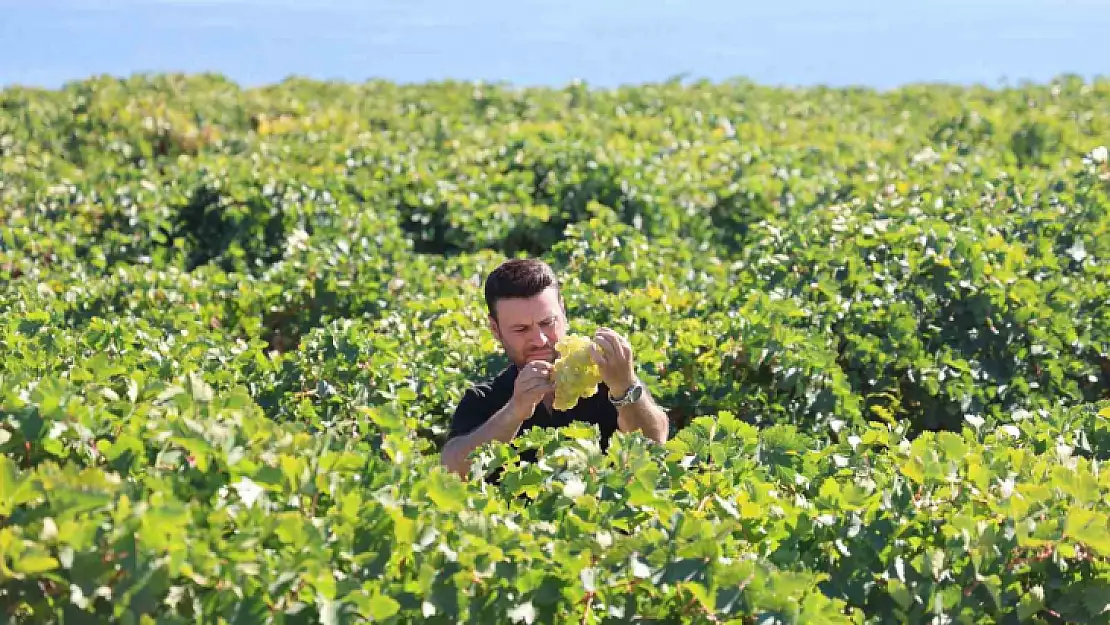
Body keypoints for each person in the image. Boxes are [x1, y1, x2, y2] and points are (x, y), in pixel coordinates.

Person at [441, 258, 670, 477]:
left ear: (563, 311)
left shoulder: (606, 378)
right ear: (495, 329)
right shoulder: (484, 398)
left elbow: (655, 443)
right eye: (521, 330)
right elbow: (451, 471)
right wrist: (514, 411)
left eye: (547, 323)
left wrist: (625, 386)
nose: (539, 339)